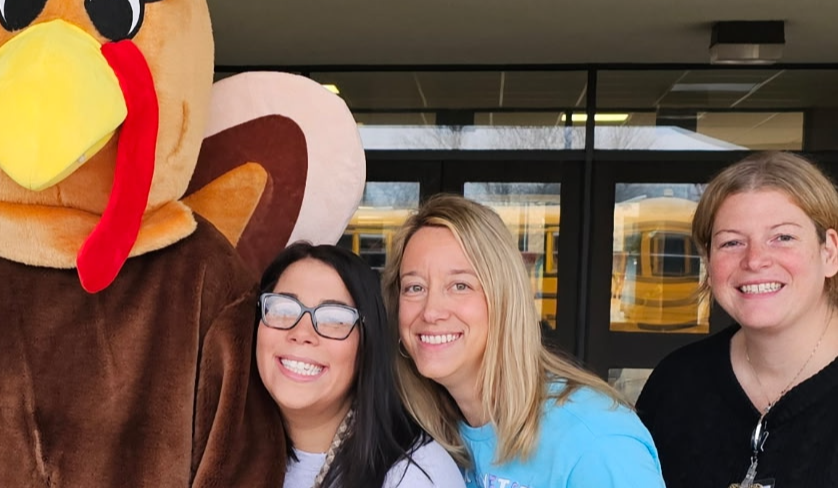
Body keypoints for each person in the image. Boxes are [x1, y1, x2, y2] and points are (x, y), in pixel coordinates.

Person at [383, 194, 663, 487]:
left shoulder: (595, 440)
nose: (431, 311)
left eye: (460, 285)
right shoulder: (424, 436)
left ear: (506, 298)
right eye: (414, 287)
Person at [637, 151, 838, 487]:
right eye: (731, 242)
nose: (755, 260)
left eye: (783, 237)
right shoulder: (676, 383)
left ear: (829, 252)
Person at [257, 242, 462, 488]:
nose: (302, 332)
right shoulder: (219, 450)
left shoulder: (414, 476)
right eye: (283, 309)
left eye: (334, 318)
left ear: (368, 344)